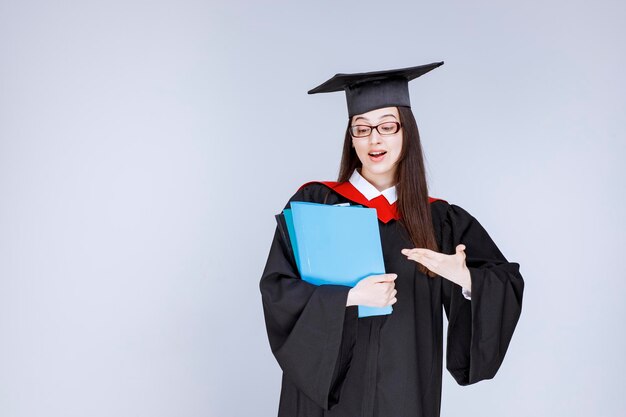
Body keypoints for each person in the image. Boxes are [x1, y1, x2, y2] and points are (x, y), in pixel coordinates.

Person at [259, 61, 524, 417]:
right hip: (328, 394)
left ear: (406, 133)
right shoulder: (315, 203)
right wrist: (348, 298)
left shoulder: (440, 219)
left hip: (405, 389)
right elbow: (278, 289)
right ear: (351, 138)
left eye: (387, 126)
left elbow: (504, 283)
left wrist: (465, 278)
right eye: (361, 128)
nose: (374, 139)